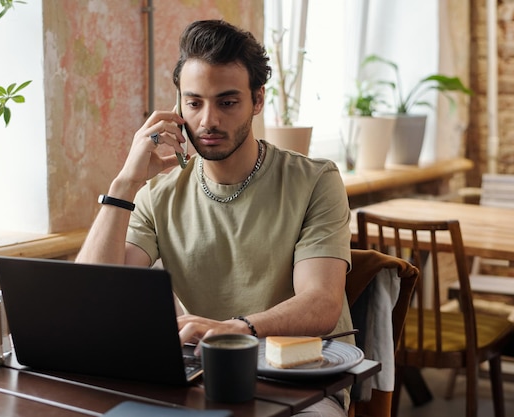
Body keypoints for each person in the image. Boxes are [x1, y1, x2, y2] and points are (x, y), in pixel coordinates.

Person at [76, 20, 353, 416]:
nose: (208, 121)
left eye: (226, 102)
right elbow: (92, 297)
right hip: (201, 380)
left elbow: (321, 304)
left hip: (299, 383)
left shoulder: (315, 181)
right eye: (194, 103)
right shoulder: (158, 193)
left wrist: (236, 328)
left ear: (257, 101)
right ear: (177, 108)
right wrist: (125, 182)